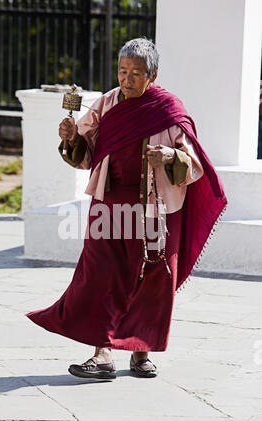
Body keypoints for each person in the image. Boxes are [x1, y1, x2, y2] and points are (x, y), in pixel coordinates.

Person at [26, 38, 227, 380]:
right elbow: (83, 149)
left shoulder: (167, 109)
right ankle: (102, 354)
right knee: (101, 273)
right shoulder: (105, 104)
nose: (127, 78)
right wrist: (71, 137)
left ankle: (140, 351)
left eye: (136, 72)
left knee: (151, 278)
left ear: (153, 75)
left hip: (156, 208)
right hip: (109, 203)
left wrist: (170, 157)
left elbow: (194, 164)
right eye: (122, 70)